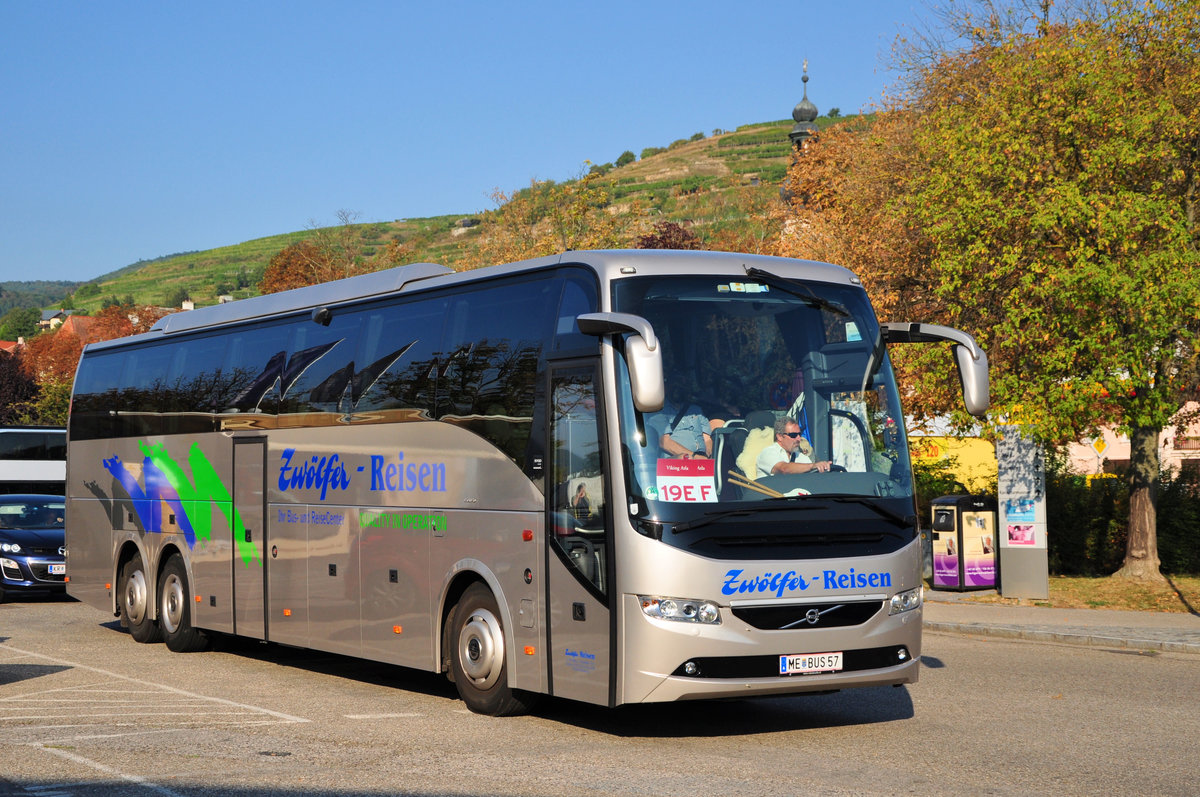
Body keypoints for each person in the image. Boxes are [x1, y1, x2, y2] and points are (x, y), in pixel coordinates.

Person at [651, 382, 713, 459]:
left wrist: (708, 457)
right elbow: (664, 442)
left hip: (702, 462)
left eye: (683, 385)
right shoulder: (659, 411)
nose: (678, 389)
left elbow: (707, 439)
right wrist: (695, 457)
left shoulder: (696, 410)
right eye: (675, 385)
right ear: (666, 387)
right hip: (675, 464)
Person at [756, 417, 832, 478]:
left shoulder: (801, 456)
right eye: (793, 435)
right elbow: (783, 469)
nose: (799, 439)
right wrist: (812, 466)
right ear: (779, 437)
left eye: (799, 434)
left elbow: (811, 476)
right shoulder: (768, 453)